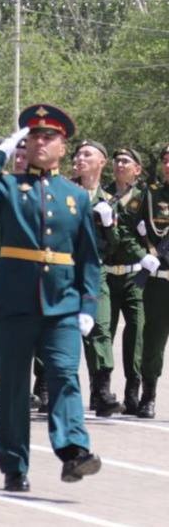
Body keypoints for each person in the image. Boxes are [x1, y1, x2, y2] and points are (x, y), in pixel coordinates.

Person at [0, 104, 102, 492]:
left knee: (64, 376)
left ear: (63, 146)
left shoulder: (75, 195)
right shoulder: (8, 187)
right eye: (34, 136)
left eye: (49, 137)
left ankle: (73, 450)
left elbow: (88, 258)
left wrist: (87, 305)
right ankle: (14, 465)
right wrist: (1, 152)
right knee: (12, 387)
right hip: (13, 302)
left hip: (61, 304)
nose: (40, 142)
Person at [72, 140, 122, 417]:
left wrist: (107, 224)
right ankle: (47, 387)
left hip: (95, 271)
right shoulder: (65, 191)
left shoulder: (109, 198)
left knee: (100, 329)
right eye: (78, 154)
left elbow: (114, 245)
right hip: (65, 270)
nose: (80, 158)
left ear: (101, 162)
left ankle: (101, 392)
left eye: (87, 154)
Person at [103, 147, 148, 414]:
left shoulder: (144, 198)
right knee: (103, 334)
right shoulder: (103, 194)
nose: (119, 164)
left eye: (125, 161)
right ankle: (103, 390)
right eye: (117, 160)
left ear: (137, 169)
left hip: (135, 275)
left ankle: (133, 392)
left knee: (136, 333)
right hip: (107, 272)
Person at [137, 143, 169, 418]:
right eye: (167, 160)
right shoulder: (151, 196)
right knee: (153, 341)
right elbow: (137, 232)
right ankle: (149, 395)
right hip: (160, 282)